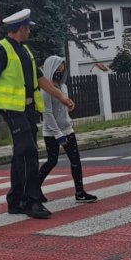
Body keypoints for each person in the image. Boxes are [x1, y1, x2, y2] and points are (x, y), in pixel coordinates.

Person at [0, 8, 75, 219]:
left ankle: (15, 200)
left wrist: (61, 97)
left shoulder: (25, 51)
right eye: (28, 29)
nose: (30, 33)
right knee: (29, 151)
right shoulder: (1, 50)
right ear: (21, 28)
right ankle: (31, 200)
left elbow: (41, 78)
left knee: (22, 153)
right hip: (12, 109)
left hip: (27, 109)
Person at [37, 56, 97, 203]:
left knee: (75, 160)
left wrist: (69, 106)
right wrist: (58, 135)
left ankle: (80, 192)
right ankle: (34, 188)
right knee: (52, 160)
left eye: (62, 69)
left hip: (67, 129)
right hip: (52, 132)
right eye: (57, 69)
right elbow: (47, 114)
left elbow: (62, 107)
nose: (60, 72)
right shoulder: (46, 90)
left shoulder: (63, 87)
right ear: (51, 69)